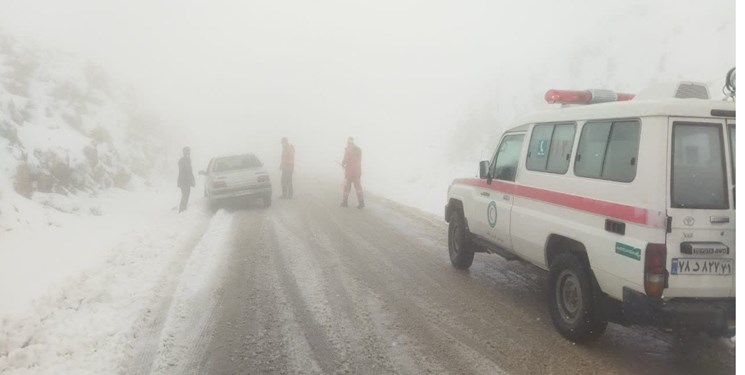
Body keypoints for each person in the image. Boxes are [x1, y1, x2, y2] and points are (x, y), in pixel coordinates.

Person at [341, 137, 364, 208]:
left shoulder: (348, 149)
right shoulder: (358, 149)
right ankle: (361, 202)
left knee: (346, 187)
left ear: (348, 141)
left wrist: (343, 163)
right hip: (357, 172)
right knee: (358, 187)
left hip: (349, 172)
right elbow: (359, 160)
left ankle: (345, 202)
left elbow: (345, 159)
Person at [177, 146, 195, 212]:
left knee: (187, 194)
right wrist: (188, 178)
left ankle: (184, 208)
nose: (189, 153)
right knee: (185, 194)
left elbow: (190, 171)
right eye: (187, 151)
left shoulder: (188, 160)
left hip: (187, 181)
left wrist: (192, 179)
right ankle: (181, 209)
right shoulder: (181, 160)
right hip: (183, 181)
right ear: (184, 152)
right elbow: (182, 171)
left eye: (189, 151)